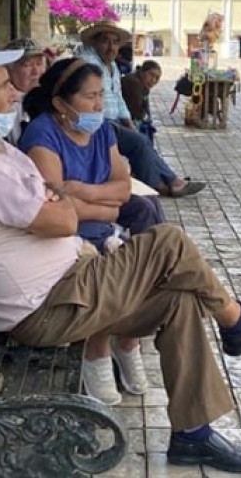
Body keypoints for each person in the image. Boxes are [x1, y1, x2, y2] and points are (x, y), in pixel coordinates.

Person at [0, 42, 241, 474]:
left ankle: (193, 435)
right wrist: (59, 201)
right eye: (2, 85)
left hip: (72, 284)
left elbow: (58, 198)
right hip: (49, 307)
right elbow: (63, 219)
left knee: (181, 298)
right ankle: (239, 322)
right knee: (167, 242)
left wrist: (60, 197)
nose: (14, 92)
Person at [18, 57, 169, 404]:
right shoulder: (42, 135)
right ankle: (97, 348)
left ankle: (129, 337)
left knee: (147, 214)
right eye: (89, 97)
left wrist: (84, 190)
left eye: (101, 94)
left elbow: (121, 186)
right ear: (60, 103)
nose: (99, 105)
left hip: (97, 212)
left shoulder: (101, 129)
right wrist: (104, 205)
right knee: (110, 252)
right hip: (66, 229)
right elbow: (57, 204)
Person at [79, 21, 205, 197]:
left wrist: (129, 123)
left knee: (141, 138)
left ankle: (169, 181)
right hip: (96, 123)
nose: (111, 47)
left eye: (115, 42)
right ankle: (161, 184)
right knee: (139, 142)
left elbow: (118, 99)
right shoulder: (88, 63)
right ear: (94, 42)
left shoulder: (112, 66)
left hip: (112, 121)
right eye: (105, 41)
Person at [4, 37, 48, 144]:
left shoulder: (50, 97)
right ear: (9, 69)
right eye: (27, 65)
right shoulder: (3, 106)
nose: (36, 71)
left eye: (39, 64)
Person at [121, 60, 162, 126]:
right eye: (151, 75)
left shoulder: (142, 83)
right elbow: (137, 112)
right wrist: (147, 118)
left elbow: (144, 108)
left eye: (157, 78)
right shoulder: (135, 83)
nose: (153, 80)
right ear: (142, 72)